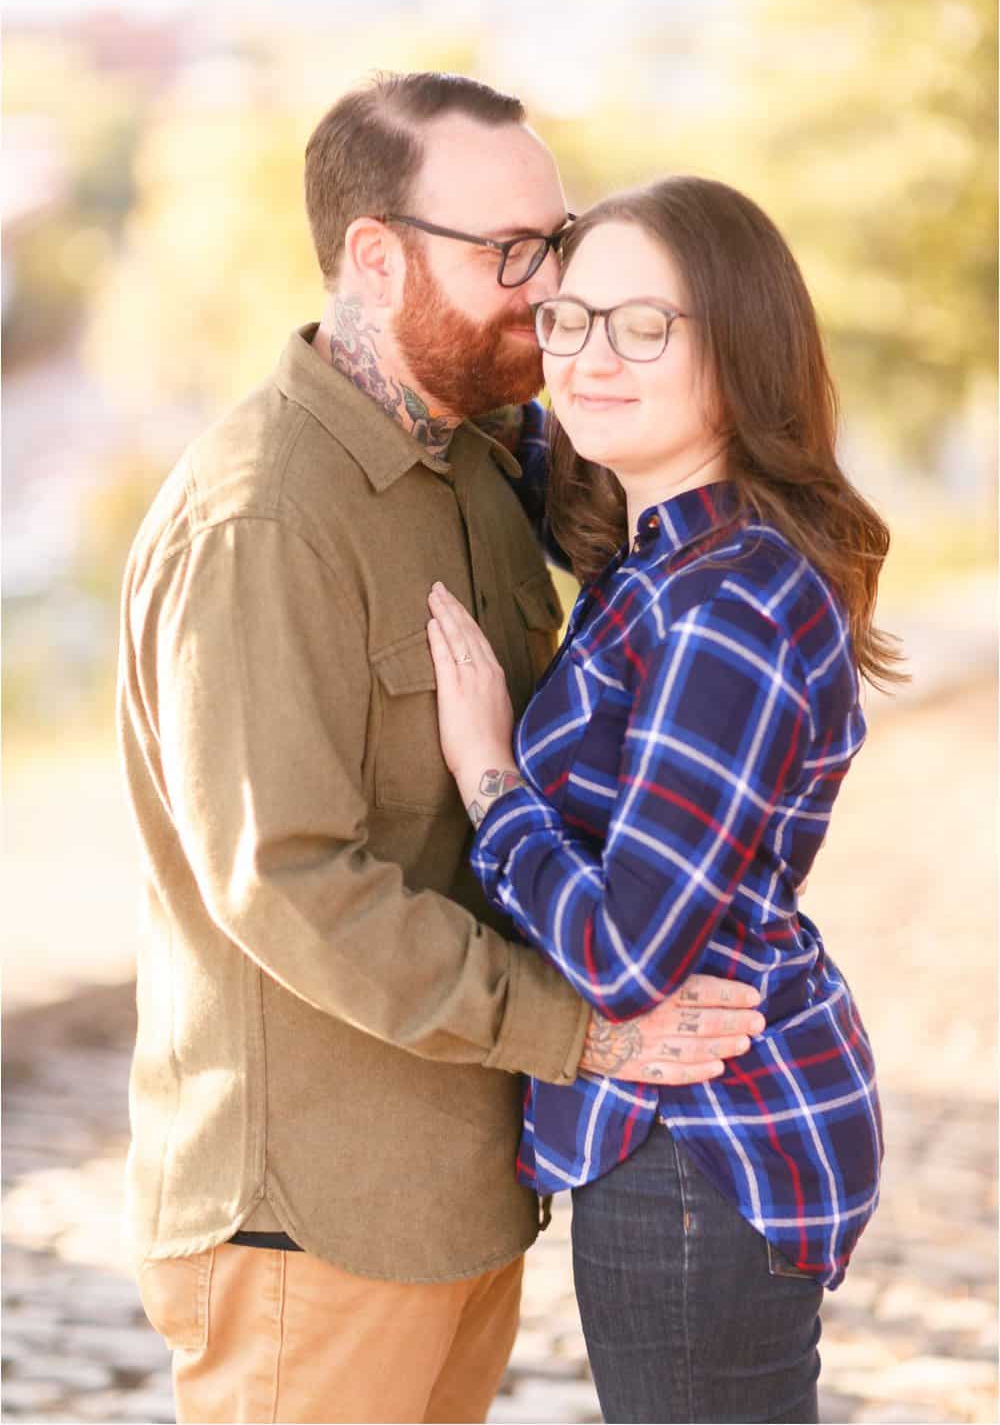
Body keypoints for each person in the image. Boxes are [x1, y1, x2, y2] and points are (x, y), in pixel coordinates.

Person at [117, 75, 764, 1425]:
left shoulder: (479, 458)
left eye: (559, 240)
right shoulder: (264, 519)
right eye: (512, 255)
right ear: (375, 254)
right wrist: (581, 1030)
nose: (547, 287)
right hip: (314, 1218)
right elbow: (286, 877)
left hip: (456, 1197)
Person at [427, 174, 903, 1424]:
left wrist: (490, 775)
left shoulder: (728, 602)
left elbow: (627, 951)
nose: (589, 357)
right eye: (570, 319)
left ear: (739, 349)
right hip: (690, 1123)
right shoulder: (662, 548)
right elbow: (527, 430)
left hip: (701, 1133)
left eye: (645, 326)